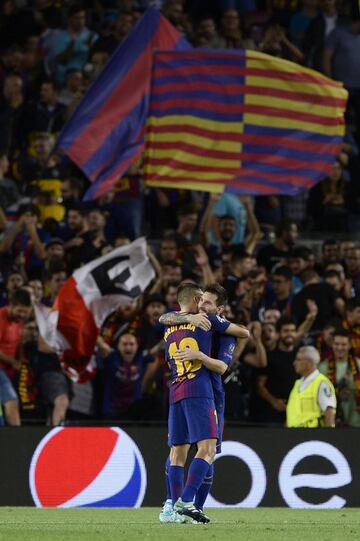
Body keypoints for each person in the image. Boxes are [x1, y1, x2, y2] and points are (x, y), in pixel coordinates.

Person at [159, 282, 249, 523]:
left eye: (208, 302)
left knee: (180, 451)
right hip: (202, 391)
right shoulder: (209, 322)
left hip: (177, 388)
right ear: (195, 299)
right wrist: (200, 354)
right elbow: (244, 335)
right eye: (202, 300)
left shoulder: (173, 322)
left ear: (219, 308)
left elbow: (163, 318)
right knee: (207, 450)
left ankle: (174, 508)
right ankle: (185, 504)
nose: (203, 305)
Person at [0, 288, 32, 426]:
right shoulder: (1, 318)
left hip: (9, 371)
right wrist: (13, 362)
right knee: (11, 400)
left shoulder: (19, 321)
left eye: (25, 312)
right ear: (11, 304)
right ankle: (17, 439)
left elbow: (17, 342)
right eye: (19, 311)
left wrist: (21, 357)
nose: (22, 315)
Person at [286, 346, 336, 428]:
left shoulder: (321, 383)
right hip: (293, 434)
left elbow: (329, 411)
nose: (294, 363)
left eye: (298, 360)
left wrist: (329, 435)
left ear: (309, 362)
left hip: (313, 435)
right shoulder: (297, 384)